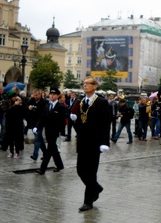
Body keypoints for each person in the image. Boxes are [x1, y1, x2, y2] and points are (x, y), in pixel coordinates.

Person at [70, 76, 111, 212]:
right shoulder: (81, 101)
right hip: (82, 141)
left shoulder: (101, 102)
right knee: (80, 170)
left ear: (95, 86)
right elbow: (79, 123)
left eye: (88, 83)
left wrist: (104, 142)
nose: (85, 85)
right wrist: (74, 120)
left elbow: (106, 123)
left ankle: (88, 202)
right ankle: (96, 188)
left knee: (91, 172)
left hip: (94, 142)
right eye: (84, 83)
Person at [34, 88, 66, 175]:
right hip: (47, 131)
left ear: (57, 96)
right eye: (51, 94)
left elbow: (62, 121)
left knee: (49, 150)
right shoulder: (47, 106)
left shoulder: (60, 107)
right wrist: (37, 127)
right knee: (54, 149)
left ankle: (42, 169)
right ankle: (59, 165)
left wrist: (62, 133)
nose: (52, 96)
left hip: (55, 132)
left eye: (54, 94)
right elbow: (42, 118)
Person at [27, 89, 49, 161]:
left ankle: (35, 155)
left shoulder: (45, 102)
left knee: (37, 138)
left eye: (37, 95)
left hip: (40, 123)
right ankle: (46, 154)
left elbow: (43, 113)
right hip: (33, 122)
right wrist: (28, 108)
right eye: (34, 95)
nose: (35, 96)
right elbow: (26, 107)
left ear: (40, 95)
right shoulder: (31, 100)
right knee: (39, 138)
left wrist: (35, 109)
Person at [5, 91, 26, 158]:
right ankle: (11, 152)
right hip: (10, 124)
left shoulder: (19, 102)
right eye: (13, 97)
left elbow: (23, 111)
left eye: (15, 96)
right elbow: (8, 113)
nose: (15, 98)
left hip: (17, 124)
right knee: (10, 139)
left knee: (17, 139)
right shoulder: (7, 103)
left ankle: (17, 153)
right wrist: (14, 106)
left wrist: (20, 103)